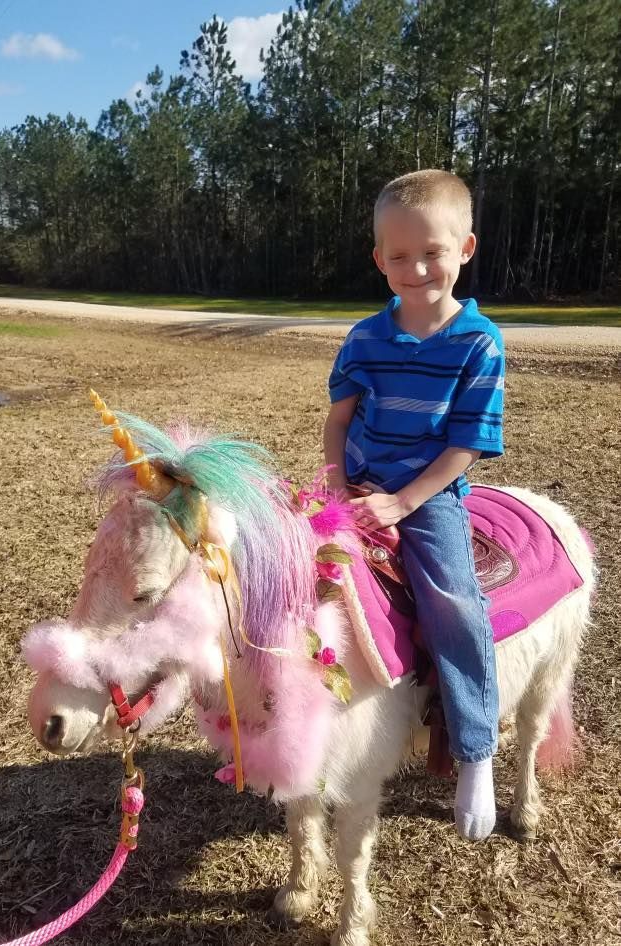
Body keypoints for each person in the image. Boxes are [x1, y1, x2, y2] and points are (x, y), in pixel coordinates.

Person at [324, 169, 505, 841]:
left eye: (431, 251)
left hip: (425, 495)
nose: (415, 267)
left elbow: (463, 448)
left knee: (454, 602)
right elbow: (338, 423)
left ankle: (474, 748)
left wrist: (400, 502)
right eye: (397, 255)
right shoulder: (364, 338)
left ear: (464, 248)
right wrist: (338, 488)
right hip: (356, 482)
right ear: (378, 259)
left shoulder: (477, 344)